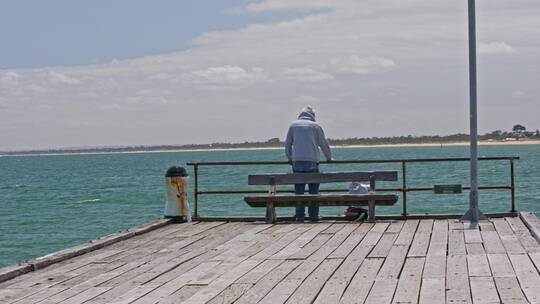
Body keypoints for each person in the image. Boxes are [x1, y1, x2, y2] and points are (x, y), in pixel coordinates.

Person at [285, 106, 332, 222]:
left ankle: (300, 216)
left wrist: (289, 158)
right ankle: (313, 216)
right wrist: (329, 158)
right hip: (312, 161)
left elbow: (287, 144)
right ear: (313, 115)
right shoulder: (316, 126)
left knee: (299, 191)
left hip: (297, 161)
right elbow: (323, 144)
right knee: (314, 191)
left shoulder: (293, 125)